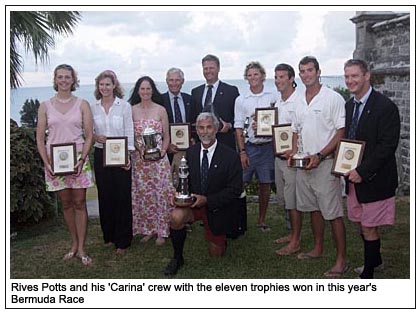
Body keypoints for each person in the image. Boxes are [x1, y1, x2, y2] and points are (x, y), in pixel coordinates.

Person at [164, 112, 243, 276]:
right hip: (195, 204)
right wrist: (179, 195)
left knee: (216, 255)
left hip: (218, 207)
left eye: (209, 127)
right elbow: (185, 183)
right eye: (201, 128)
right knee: (176, 217)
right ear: (196, 130)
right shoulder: (190, 153)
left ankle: (221, 237)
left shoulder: (231, 156)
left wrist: (207, 200)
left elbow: (235, 190)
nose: (205, 131)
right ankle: (177, 258)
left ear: (215, 129)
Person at [343, 59, 400, 279]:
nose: (350, 81)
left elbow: (387, 147)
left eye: (355, 76)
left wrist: (362, 172)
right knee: (360, 221)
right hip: (353, 178)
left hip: (375, 179)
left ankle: (368, 273)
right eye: (347, 76)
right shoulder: (349, 106)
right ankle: (376, 259)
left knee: (369, 226)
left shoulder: (385, 107)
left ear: (367, 76)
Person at [292, 56, 348, 277]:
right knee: (313, 209)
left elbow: (340, 131)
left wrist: (320, 154)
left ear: (318, 72)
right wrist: (294, 153)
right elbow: (296, 131)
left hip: (324, 163)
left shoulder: (332, 98)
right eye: (302, 71)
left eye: (309, 70)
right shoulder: (298, 99)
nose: (306, 75)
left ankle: (341, 259)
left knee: (333, 213)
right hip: (304, 163)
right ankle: (317, 248)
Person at [36, 64, 94, 266]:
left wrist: (81, 159)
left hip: (78, 159)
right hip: (54, 163)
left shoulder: (82, 104)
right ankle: (73, 243)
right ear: (55, 79)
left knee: (79, 203)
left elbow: (89, 136)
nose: (63, 80)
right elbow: (40, 139)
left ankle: (82, 248)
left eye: (67, 77)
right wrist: (47, 163)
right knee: (66, 204)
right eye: (60, 77)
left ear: (73, 80)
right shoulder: (45, 106)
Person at [90, 70, 134, 253]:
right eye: (101, 84)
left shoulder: (124, 106)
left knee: (122, 197)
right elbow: (88, 132)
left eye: (108, 84)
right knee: (105, 196)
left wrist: (128, 156)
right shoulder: (93, 107)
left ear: (114, 85)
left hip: (120, 156)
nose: (105, 88)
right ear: (97, 87)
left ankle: (123, 240)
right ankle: (108, 235)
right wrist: (94, 137)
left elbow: (129, 131)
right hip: (101, 156)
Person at [128, 76, 174, 246]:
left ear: (152, 90)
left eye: (148, 89)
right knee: (144, 195)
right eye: (142, 89)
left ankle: (162, 230)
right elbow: (130, 135)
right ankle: (148, 229)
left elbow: (167, 135)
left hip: (159, 161)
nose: (145, 92)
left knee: (160, 194)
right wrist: (138, 150)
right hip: (140, 161)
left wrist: (162, 151)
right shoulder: (131, 110)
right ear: (137, 91)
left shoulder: (161, 110)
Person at [234, 61, 277, 232]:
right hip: (249, 147)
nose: (253, 78)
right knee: (240, 184)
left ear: (262, 76)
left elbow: (279, 121)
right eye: (250, 75)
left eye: (256, 74)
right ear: (246, 77)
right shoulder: (241, 99)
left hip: (267, 147)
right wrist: (242, 151)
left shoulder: (273, 96)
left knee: (265, 184)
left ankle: (261, 220)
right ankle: (238, 219)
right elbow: (238, 126)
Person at [271, 64, 302, 256]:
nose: (278, 80)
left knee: (292, 200)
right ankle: (291, 234)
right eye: (276, 77)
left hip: (291, 159)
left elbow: (301, 129)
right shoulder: (278, 103)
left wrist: (295, 149)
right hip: (278, 158)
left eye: (282, 77)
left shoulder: (299, 101)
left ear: (291, 79)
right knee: (283, 198)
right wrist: (262, 125)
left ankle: (296, 241)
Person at [190, 54, 239, 150]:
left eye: (211, 68)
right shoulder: (195, 92)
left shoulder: (231, 91)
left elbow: (238, 117)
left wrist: (229, 125)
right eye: (206, 68)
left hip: (225, 142)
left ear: (218, 68)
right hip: (202, 144)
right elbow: (192, 118)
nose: (208, 71)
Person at [161, 67, 192, 166]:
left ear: (182, 81)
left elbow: (194, 121)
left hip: (188, 149)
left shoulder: (190, 100)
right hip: (167, 152)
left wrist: (192, 139)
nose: (174, 83)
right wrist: (166, 145)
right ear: (166, 81)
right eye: (171, 80)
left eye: (177, 80)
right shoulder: (160, 101)